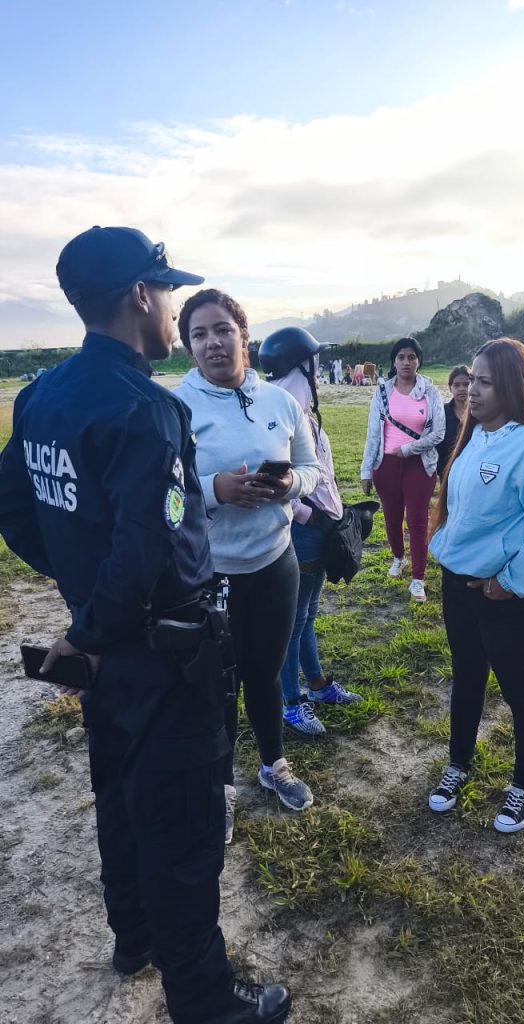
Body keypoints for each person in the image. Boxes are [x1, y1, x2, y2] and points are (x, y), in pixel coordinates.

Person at [0, 228, 291, 1024]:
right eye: (166, 294)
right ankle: (203, 997)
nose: (171, 311)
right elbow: (145, 546)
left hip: (102, 651)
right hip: (165, 657)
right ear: (139, 297)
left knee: (121, 798)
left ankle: (134, 937)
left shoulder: (41, 395)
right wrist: (99, 617)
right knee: (185, 826)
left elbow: (17, 515)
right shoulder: (146, 409)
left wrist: (83, 599)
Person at [176, 292, 322, 835]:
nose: (212, 342)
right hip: (207, 575)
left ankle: (273, 766)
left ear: (243, 334)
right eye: (198, 334)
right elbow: (162, 491)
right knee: (218, 684)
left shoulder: (280, 403)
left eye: (222, 330)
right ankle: (221, 786)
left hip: (274, 564)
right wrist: (214, 490)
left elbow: (312, 469)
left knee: (264, 672)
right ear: (188, 345)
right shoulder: (176, 407)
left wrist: (289, 486)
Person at [428, 338, 524, 833]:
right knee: (467, 677)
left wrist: (509, 583)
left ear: (512, 384)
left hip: (504, 597)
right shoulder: (475, 438)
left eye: (485, 381)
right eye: (471, 378)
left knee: (520, 692)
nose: (472, 389)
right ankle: (458, 764)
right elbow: (461, 511)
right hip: (458, 587)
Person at [257, 327, 362, 737]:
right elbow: (271, 478)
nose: (319, 366)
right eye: (314, 359)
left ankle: (315, 684)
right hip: (304, 530)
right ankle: (291, 702)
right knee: (293, 621)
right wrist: (305, 515)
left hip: (321, 525)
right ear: (302, 363)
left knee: (308, 614)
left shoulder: (298, 406)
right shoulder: (280, 411)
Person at [360, 337, 445, 603]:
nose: (406, 362)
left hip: (420, 465)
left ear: (419, 361)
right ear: (394, 361)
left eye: (412, 357)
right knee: (392, 517)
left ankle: (418, 578)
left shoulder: (430, 392)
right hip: (385, 465)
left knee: (417, 520)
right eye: (401, 357)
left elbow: (439, 433)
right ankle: (398, 558)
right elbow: (373, 434)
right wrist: (366, 470)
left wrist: (409, 450)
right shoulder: (382, 392)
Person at [436, 364, 470, 478]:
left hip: (472, 471)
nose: (462, 388)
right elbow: (438, 445)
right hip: (448, 472)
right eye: (457, 385)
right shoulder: (442, 412)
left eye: (466, 384)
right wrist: (442, 470)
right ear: (450, 387)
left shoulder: (480, 413)